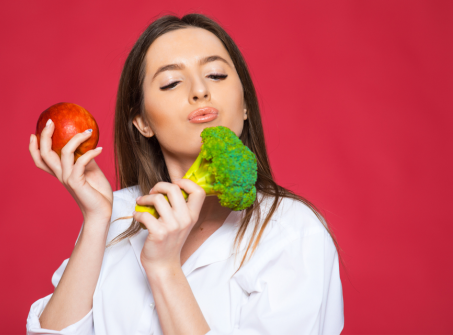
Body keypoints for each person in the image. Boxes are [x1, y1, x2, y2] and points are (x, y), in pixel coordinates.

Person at [27, 13, 344, 335]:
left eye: (216, 75)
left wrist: (164, 269)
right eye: (171, 82)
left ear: (245, 104)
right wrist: (97, 219)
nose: (200, 90)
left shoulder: (292, 231)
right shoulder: (116, 215)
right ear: (142, 122)